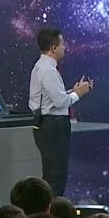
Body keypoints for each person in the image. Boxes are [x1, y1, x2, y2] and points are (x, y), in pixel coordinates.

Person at [29, 28, 92, 196]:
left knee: (52, 172)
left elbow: (52, 97)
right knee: (56, 175)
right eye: (62, 44)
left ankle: (49, 207)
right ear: (54, 48)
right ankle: (53, 209)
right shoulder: (48, 70)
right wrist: (78, 94)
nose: (65, 47)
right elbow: (60, 102)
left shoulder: (41, 67)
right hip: (53, 125)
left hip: (46, 123)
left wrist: (72, 91)